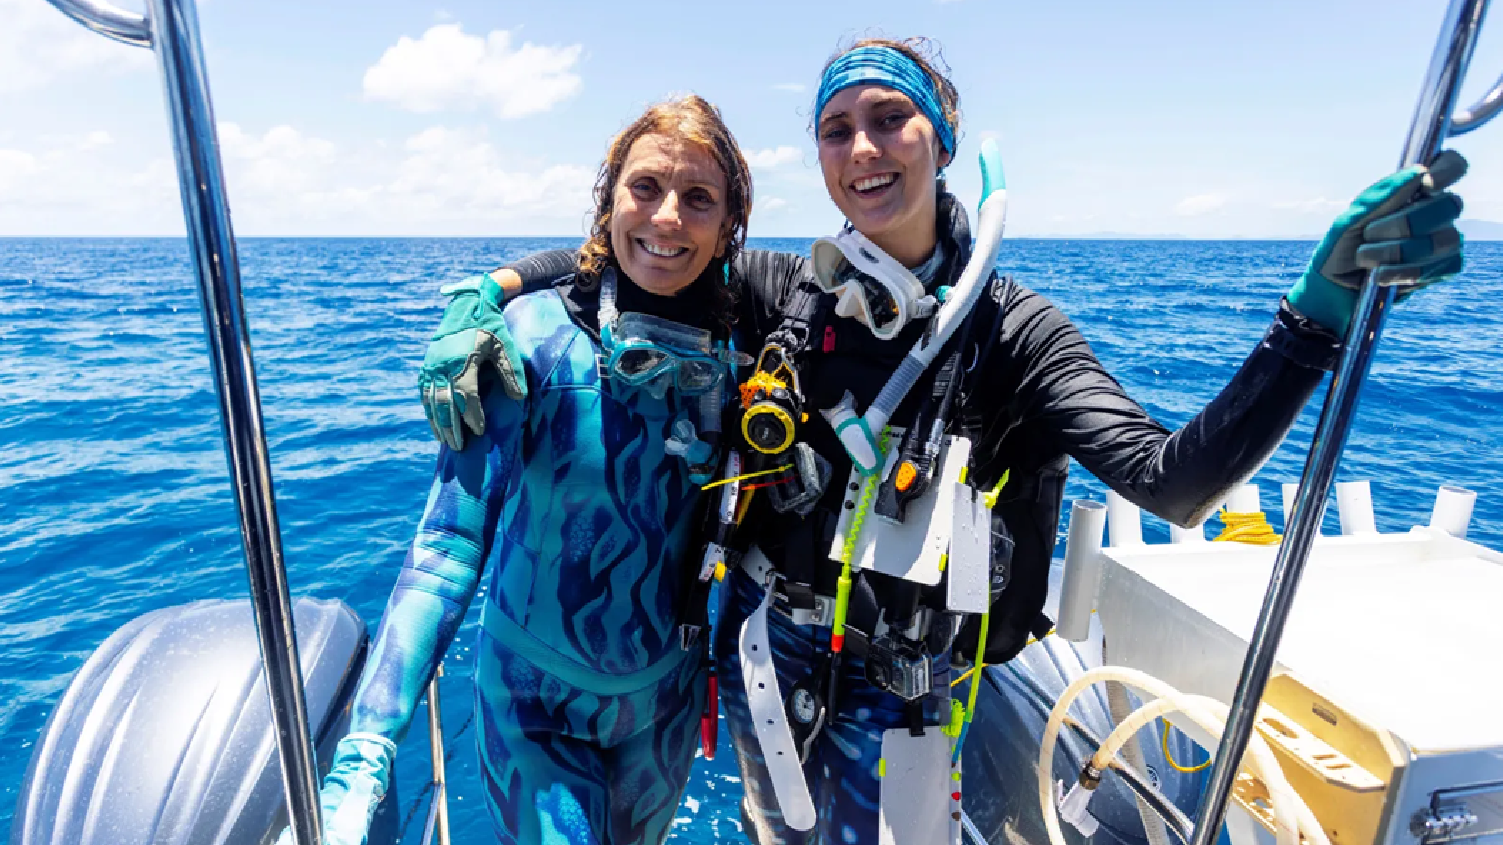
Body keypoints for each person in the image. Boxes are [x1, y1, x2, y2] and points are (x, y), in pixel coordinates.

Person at [416, 38, 1468, 845]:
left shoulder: (1015, 333)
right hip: (763, 653)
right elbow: (640, 252)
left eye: (891, 119)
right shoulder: (784, 291)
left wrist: (1311, 318)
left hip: (910, 681)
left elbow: (1172, 481)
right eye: (837, 128)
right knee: (773, 829)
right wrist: (491, 290)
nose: (863, 149)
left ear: (943, 140)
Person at [284, 94, 760, 845]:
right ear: (608, 202)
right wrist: (365, 751)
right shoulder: (531, 336)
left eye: (698, 197)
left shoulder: (742, 347)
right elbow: (447, 547)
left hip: (664, 707)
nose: (668, 216)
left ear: (729, 223)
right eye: (644, 187)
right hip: (535, 703)